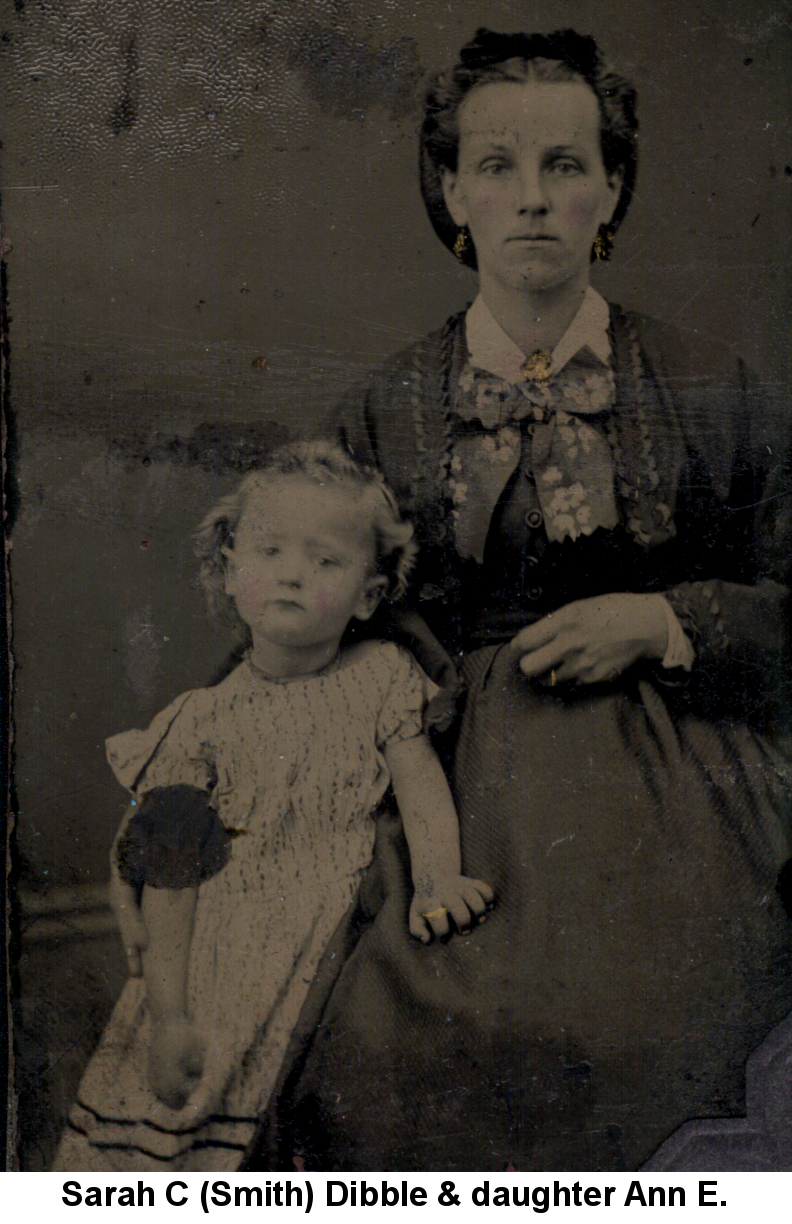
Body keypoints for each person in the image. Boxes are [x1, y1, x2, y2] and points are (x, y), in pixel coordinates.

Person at [260, 29, 792, 1172]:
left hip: (685, 767)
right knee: (403, 1025)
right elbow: (317, 628)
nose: (534, 200)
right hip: (455, 779)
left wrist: (664, 621)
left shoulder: (714, 385)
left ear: (612, 187)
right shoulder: (387, 406)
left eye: (566, 164)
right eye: (497, 167)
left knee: (665, 1010)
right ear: (453, 192)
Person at [52, 441, 493, 1172]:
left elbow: (420, 787)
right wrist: (169, 1016)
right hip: (215, 960)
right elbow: (171, 878)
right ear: (229, 572)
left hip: (328, 940)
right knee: (177, 1140)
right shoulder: (198, 720)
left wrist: (438, 881)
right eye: (270, 551)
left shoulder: (381, 677)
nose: (292, 572)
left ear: (368, 597)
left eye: (326, 561)